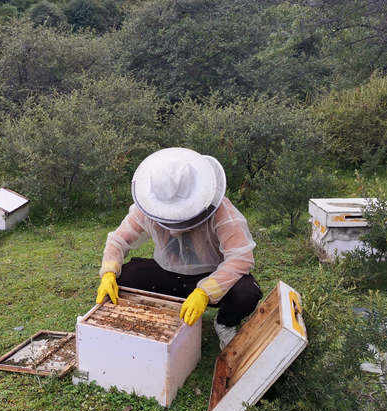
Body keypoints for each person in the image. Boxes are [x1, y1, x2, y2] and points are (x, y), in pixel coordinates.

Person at [95, 147, 262, 349]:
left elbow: (241, 257)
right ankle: (148, 318)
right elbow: (118, 239)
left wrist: (205, 292)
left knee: (247, 293)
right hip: (167, 275)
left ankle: (225, 324)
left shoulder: (222, 211)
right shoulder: (147, 209)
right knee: (124, 278)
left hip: (209, 275)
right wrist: (109, 272)